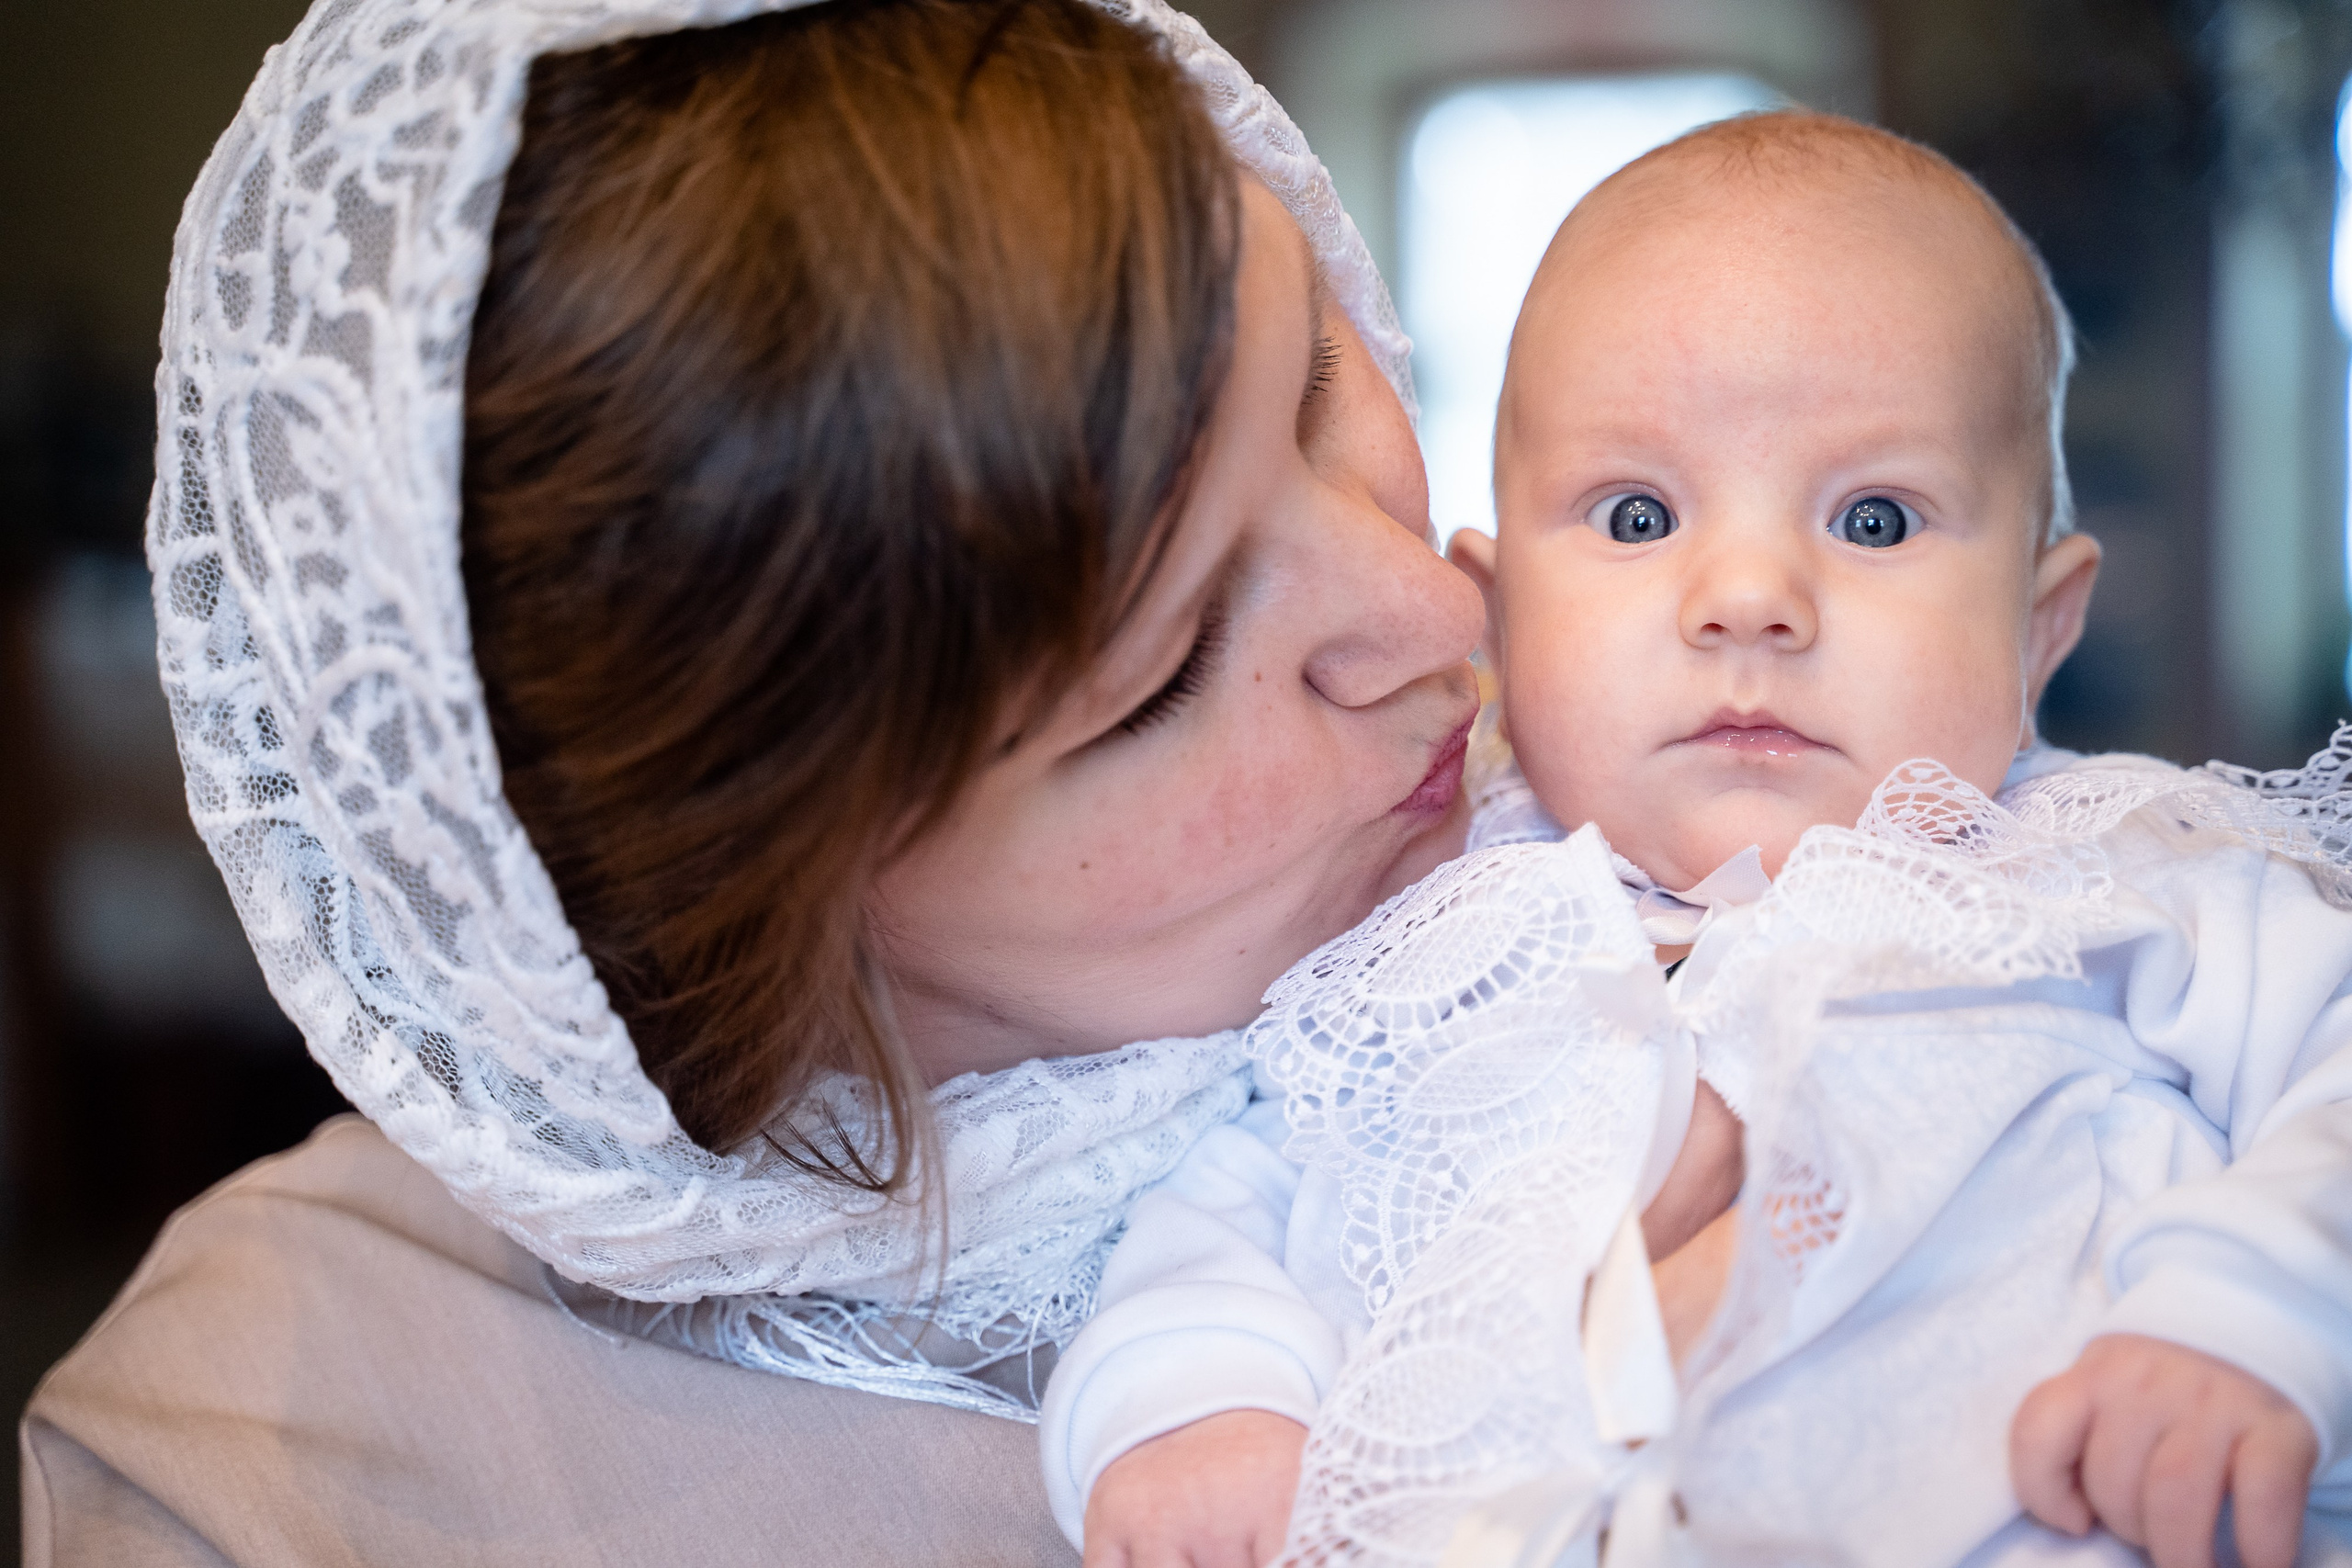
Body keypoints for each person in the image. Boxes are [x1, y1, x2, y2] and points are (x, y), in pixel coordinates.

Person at [19, 1, 1617, 1562]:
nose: (1440, 610)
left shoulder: (1716, 819)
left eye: (1318, 390)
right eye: (1169, 671)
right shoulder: (256, 1481)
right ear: (746, 897)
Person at [1042, 112, 2352, 1568]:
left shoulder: (2115, 879)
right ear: (1500, 615)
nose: (1747, 595)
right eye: (1639, 511)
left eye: (1871, 518)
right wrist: (1193, 1410)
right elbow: (1223, 1209)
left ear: (2037, 629)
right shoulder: (1427, 936)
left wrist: (2245, 1312)